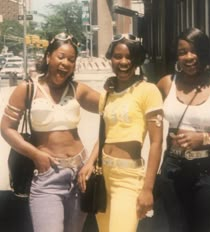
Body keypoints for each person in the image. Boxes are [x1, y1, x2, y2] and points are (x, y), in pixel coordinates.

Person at [0, 32, 100, 232]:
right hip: (47, 175)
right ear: (48, 57)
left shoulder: (78, 89)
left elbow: (114, 112)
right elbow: (6, 128)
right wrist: (35, 154)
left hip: (80, 174)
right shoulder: (27, 89)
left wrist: (92, 161)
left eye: (71, 59)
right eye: (60, 56)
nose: (65, 63)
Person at [78, 34, 163, 232]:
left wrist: (148, 188)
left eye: (129, 57)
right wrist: (90, 162)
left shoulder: (148, 91)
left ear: (137, 59)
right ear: (110, 58)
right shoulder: (107, 93)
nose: (123, 62)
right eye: (118, 56)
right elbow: (104, 134)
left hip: (128, 177)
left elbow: (156, 143)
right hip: (103, 175)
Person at [156, 27, 210, 232]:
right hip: (172, 168)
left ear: (206, 53)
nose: (189, 57)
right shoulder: (166, 84)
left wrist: (205, 138)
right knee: (176, 227)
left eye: (195, 51)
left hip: (207, 172)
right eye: (183, 52)